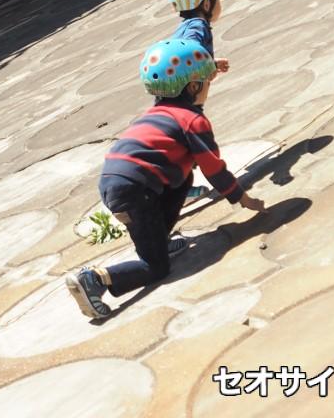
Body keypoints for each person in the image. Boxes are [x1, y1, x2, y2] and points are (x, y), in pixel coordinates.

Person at [65, 37, 264, 320]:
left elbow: (188, 91)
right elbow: (213, 168)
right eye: (206, 80)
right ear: (195, 86)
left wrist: (209, 70)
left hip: (117, 178)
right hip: (135, 190)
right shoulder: (193, 121)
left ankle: (160, 238)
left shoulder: (157, 113)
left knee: (182, 178)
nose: (209, 85)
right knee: (156, 267)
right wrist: (242, 197)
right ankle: (96, 279)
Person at [166, 0, 229, 108]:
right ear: (207, 4)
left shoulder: (185, 26)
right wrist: (204, 66)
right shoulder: (198, 26)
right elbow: (188, 51)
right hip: (189, 101)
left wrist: (210, 64)